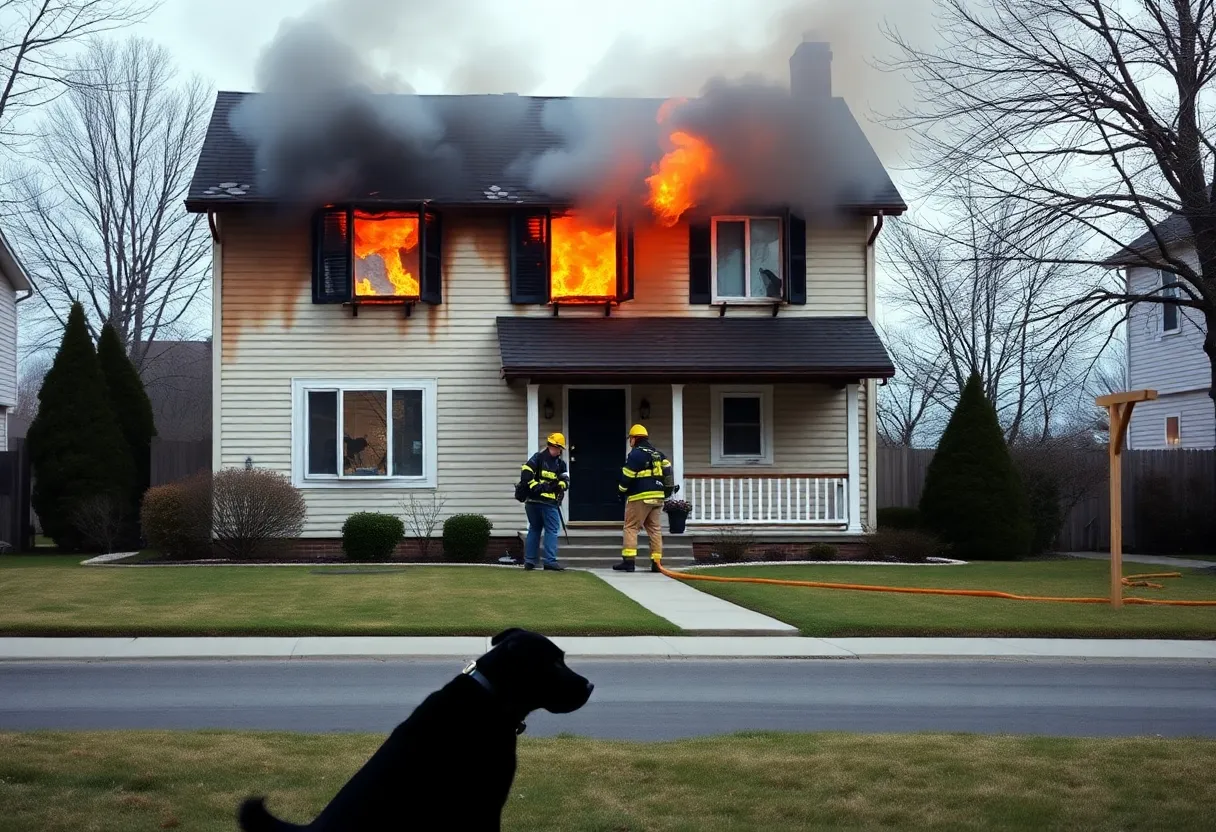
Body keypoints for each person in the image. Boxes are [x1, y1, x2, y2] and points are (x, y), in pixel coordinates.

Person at [614, 424, 673, 573]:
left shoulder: (636, 454)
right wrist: (666, 492)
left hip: (640, 497)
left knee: (631, 527)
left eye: (630, 439)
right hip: (658, 497)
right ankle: (656, 563)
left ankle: (629, 561)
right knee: (654, 529)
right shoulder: (659, 454)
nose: (630, 442)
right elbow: (668, 472)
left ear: (634, 439)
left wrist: (621, 491)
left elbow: (627, 476)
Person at [519, 433, 569, 571]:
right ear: (554, 446)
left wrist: (559, 486)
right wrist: (537, 486)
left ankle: (530, 561)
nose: (559, 451)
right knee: (551, 530)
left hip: (534, 502)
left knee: (534, 529)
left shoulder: (539, 458)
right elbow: (526, 472)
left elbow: (566, 482)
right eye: (559, 448)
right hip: (546, 503)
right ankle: (549, 561)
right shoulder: (549, 461)